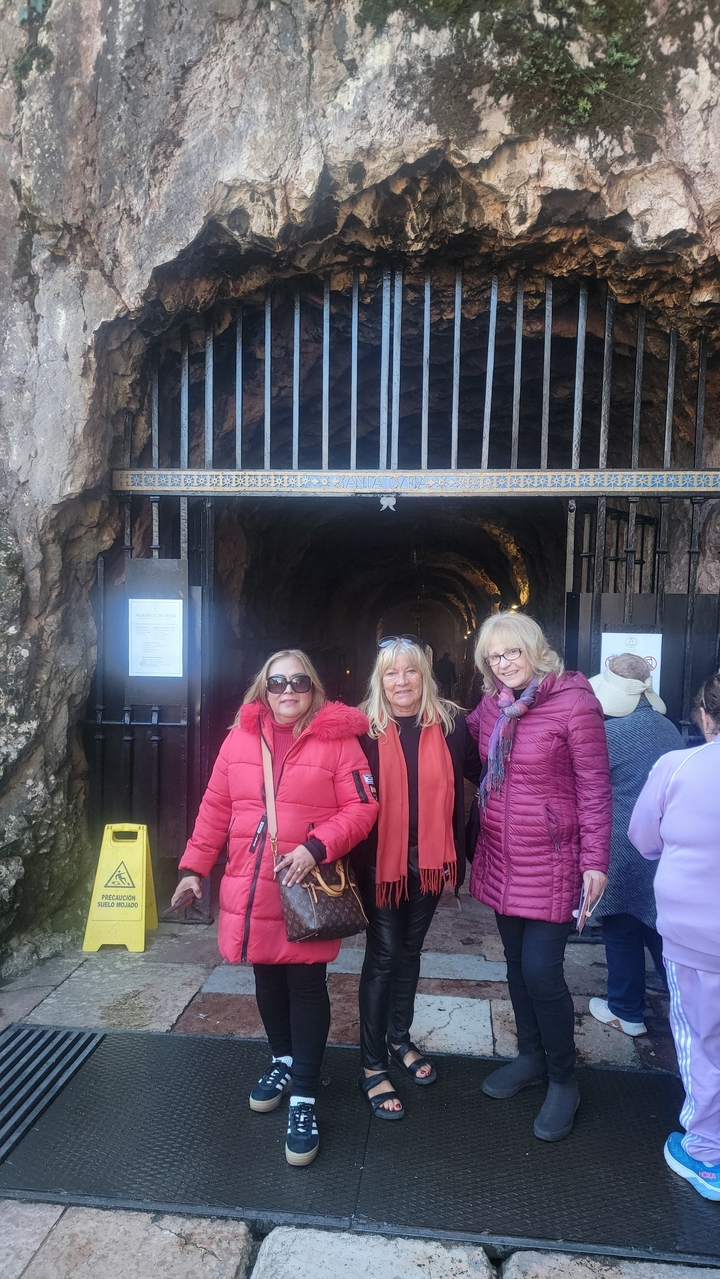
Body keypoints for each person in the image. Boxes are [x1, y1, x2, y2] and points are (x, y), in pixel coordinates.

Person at [172, 649, 378, 1167]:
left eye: (299, 681)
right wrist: (194, 867)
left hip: (302, 882)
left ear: (315, 687)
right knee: (265, 975)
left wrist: (316, 847)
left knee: (306, 984)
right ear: (263, 688)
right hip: (252, 881)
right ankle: (283, 1059)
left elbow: (363, 806)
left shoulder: (339, 740)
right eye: (277, 681)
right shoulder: (240, 738)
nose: (288, 690)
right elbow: (216, 806)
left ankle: (304, 1094)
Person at [467, 611, 611, 1142]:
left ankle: (563, 1079)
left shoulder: (574, 702)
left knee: (541, 972)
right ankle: (530, 1056)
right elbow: (458, 742)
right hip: (502, 858)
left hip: (553, 860)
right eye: (494, 656)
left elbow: (594, 789)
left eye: (512, 651)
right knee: (515, 965)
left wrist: (595, 862)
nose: (504, 663)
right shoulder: (492, 705)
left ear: (534, 648)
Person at [352, 636, 481, 1119]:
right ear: (379, 679)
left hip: (428, 857)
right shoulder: (361, 728)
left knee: (410, 949)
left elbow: (487, 772)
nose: (401, 681)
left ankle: (399, 1037)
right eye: (391, 672)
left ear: (425, 675)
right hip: (378, 860)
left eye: (410, 671)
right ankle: (371, 1064)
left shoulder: (451, 724)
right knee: (384, 953)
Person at [629, 672, 720, 1202]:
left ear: (705, 717)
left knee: (701, 1040)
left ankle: (707, 1153)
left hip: (697, 937)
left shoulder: (677, 766)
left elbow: (643, 838)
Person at [587, 655, 683, 1036]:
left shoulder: (609, 735)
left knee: (621, 927)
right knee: (659, 927)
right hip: (663, 848)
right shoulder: (669, 729)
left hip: (621, 847)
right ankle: (686, 1003)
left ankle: (626, 1009)